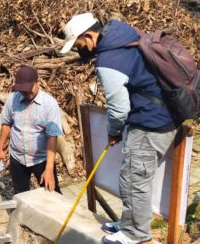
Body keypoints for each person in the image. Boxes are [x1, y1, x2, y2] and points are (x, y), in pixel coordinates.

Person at [60, 13, 177, 244]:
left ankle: (137, 235)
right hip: (152, 116)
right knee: (129, 176)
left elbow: (119, 108)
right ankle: (128, 224)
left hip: (151, 122)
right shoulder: (123, 35)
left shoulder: (108, 61)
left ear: (90, 36)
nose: (79, 50)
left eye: (79, 44)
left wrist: (113, 132)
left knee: (136, 179)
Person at [0, 65, 63, 194]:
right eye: (22, 90)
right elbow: (6, 124)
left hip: (41, 159)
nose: (26, 93)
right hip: (17, 158)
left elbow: (52, 137)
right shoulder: (12, 99)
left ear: (38, 82)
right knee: (21, 195)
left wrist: (49, 168)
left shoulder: (49, 104)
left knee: (53, 194)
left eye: (28, 89)